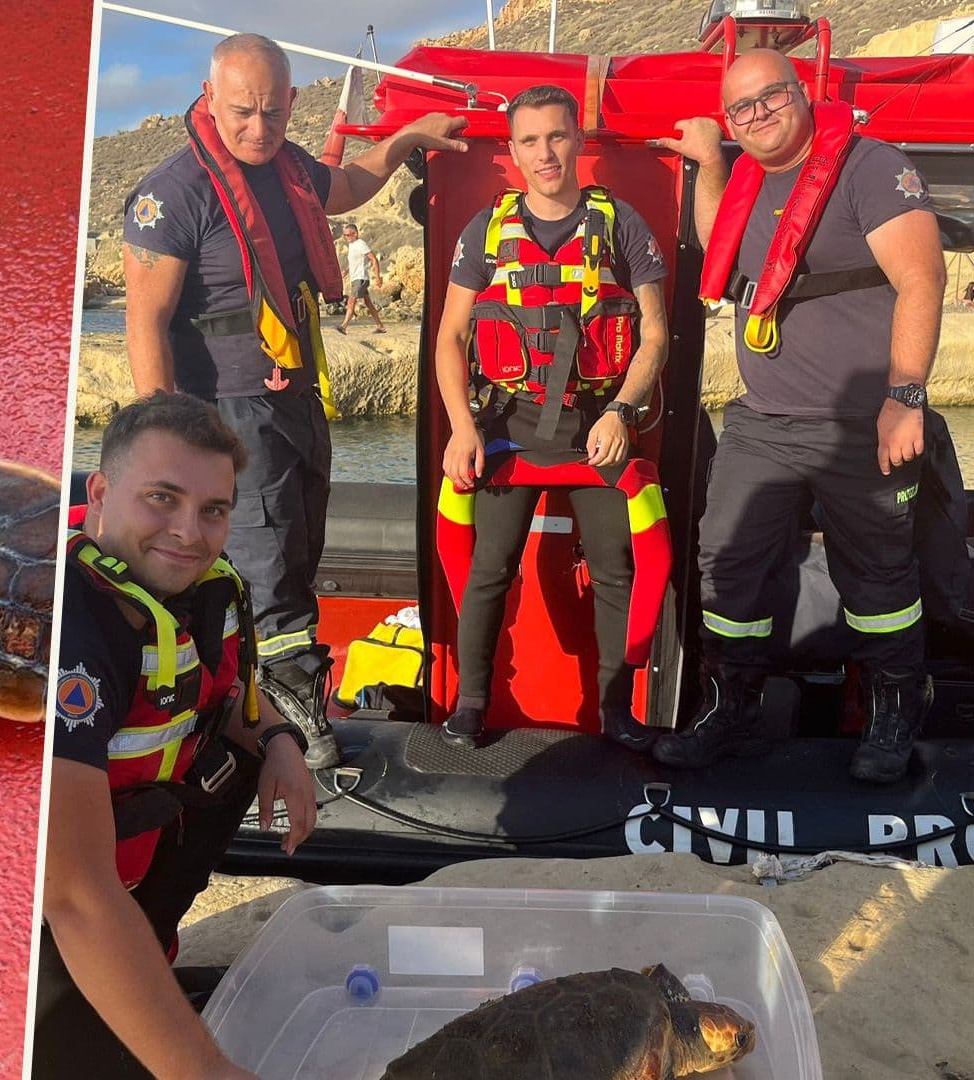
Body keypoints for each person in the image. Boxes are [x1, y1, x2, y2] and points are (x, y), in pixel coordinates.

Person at [121, 32, 466, 769]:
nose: (257, 129)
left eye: (272, 113)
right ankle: (289, 720)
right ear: (211, 99)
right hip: (228, 411)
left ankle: (261, 700)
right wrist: (166, 444)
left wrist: (406, 139)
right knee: (266, 562)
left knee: (301, 545)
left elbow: (350, 187)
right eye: (242, 112)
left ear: (292, 105)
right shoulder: (170, 194)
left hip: (298, 399)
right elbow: (145, 322)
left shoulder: (292, 168)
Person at [649, 49, 943, 782]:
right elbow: (725, 251)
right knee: (729, 563)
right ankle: (733, 707)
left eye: (770, 97)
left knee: (878, 576)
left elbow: (922, 277)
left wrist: (904, 397)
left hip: (859, 421)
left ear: (801, 93)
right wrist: (711, 164)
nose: (757, 115)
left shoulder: (871, 167)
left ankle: (892, 712)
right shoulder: (750, 174)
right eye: (740, 108)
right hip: (763, 420)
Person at [36, 392, 318, 1080]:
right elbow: (69, 890)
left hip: (138, 876)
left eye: (212, 510)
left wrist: (282, 743)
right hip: (46, 926)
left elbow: (230, 697)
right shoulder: (68, 628)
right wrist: (204, 1071)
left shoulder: (198, 591)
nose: (188, 532)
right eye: (161, 498)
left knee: (234, 761)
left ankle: (150, 947)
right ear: (100, 492)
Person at [431, 84, 670, 750]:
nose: (546, 153)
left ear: (578, 140)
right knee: (489, 569)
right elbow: (451, 336)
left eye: (558, 136)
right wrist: (462, 427)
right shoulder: (484, 232)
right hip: (507, 429)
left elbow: (654, 333)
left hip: (599, 426)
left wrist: (622, 411)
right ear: (512, 151)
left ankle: (617, 711)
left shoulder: (621, 224)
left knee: (615, 569)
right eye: (530, 141)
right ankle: (471, 704)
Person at [338, 222, 388, 333]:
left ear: (355, 233)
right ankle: (380, 326)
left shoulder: (361, 244)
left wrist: (377, 277)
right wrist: (346, 271)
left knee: (351, 301)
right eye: (345, 235)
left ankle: (343, 326)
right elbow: (354, 262)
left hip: (361, 279)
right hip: (355, 278)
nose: (346, 237)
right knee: (368, 303)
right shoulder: (351, 246)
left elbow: (373, 259)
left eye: (348, 235)